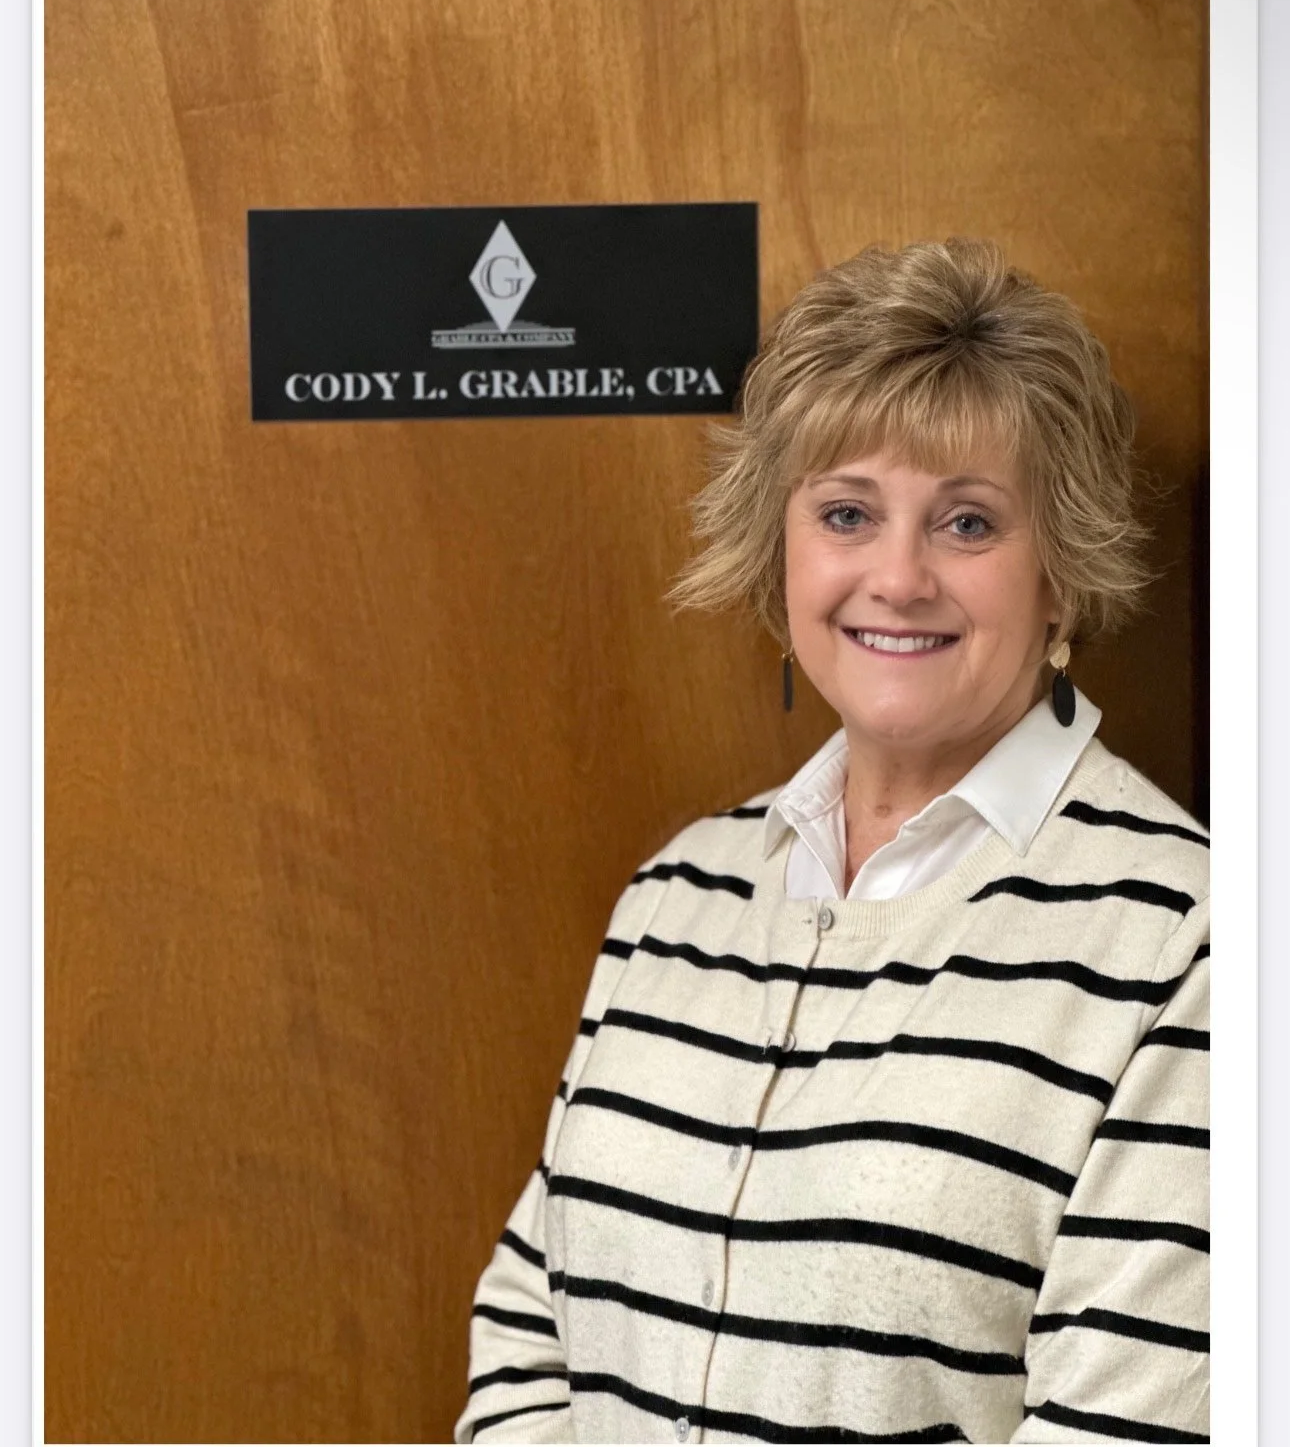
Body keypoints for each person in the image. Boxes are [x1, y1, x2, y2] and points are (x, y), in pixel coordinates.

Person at [454, 239, 1209, 1445]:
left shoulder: (1188, 940)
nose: (897, 577)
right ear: (784, 551)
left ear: (1062, 574)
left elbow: (1137, 1419)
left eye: (967, 521)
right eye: (848, 512)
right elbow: (529, 1332)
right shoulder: (677, 893)